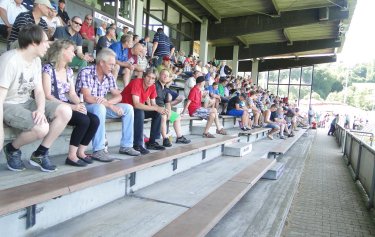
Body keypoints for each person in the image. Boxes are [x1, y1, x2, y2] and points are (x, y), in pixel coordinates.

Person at [0, 24, 72, 172]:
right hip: (8, 104)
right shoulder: (9, 60)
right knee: (42, 127)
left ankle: (40, 154)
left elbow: (39, 90)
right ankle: (12, 149)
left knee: (65, 110)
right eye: (45, 41)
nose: (49, 44)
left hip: (26, 101)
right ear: (34, 42)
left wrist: (40, 109)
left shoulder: (36, 60)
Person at [42, 39, 100, 167]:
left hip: (66, 104)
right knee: (83, 120)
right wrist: (72, 106)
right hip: (53, 105)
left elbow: (72, 93)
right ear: (62, 51)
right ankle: (71, 156)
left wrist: (80, 104)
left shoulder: (68, 71)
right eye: (72, 51)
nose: (74, 54)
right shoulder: (48, 69)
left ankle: (81, 152)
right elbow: (47, 95)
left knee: (94, 119)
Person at [75, 48, 141, 160]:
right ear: (101, 62)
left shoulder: (109, 75)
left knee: (128, 108)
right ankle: (99, 150)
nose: (113, 67)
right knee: (100, 108)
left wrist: (108, 103)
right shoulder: (86, 72)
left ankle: (126, 146)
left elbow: (120, 95)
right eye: (111, 64)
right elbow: (87, 97)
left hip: (102, 106)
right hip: (84, 107)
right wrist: (109, 105)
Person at [121, 68, 166, 154]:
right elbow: (136, 104)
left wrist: (161, 109)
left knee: (157, 113)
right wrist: (156, 108)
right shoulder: (137, 82)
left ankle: (152, 142)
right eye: (148, 77)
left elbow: (153, 104)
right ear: (144, 76)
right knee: (140, 111)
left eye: (153, 78)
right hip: (125, 109)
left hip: (136, 109)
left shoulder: (152, 86)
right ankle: (137, 144)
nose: (150, 80)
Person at [156, 69, 191, 147]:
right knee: (164, 116)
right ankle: (165, 138)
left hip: (163, 108)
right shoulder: (155, 85)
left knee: (177, 117)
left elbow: (167, 102)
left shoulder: (165, 88)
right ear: (159, 76)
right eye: (163, 75)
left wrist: (168, 111)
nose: (165, 77)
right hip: (155, 109)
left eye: (167, 76)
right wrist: (162, 110)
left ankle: (179, 137)